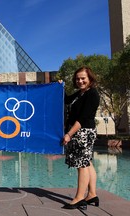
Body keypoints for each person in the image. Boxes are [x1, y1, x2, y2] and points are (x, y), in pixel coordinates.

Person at [61, 66, 100, 210]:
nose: (80, 81)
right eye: (77, 78)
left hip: (83, 132)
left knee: (81, 165)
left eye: (83, 78)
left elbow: (83, 118)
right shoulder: (80, 94)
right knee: (87, 162)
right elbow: (65, 100)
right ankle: (92, 194)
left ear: (90, 79)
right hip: (81, 132)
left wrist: (69, 134)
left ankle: (79, 198)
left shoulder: (92, 94)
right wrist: (60, 86)